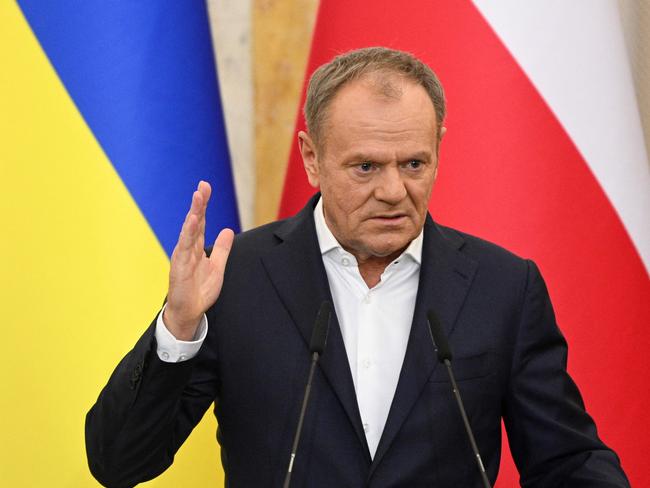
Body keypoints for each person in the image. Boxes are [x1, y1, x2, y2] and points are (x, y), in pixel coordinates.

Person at [86, 47, 629, 487]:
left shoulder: (502, 288)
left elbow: (569, 463)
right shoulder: (238, 279)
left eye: (414, 163)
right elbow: (119, 464)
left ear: (438, 149)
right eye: (365, 166)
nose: (393, 192)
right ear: (312, 158)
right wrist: (177, 331)